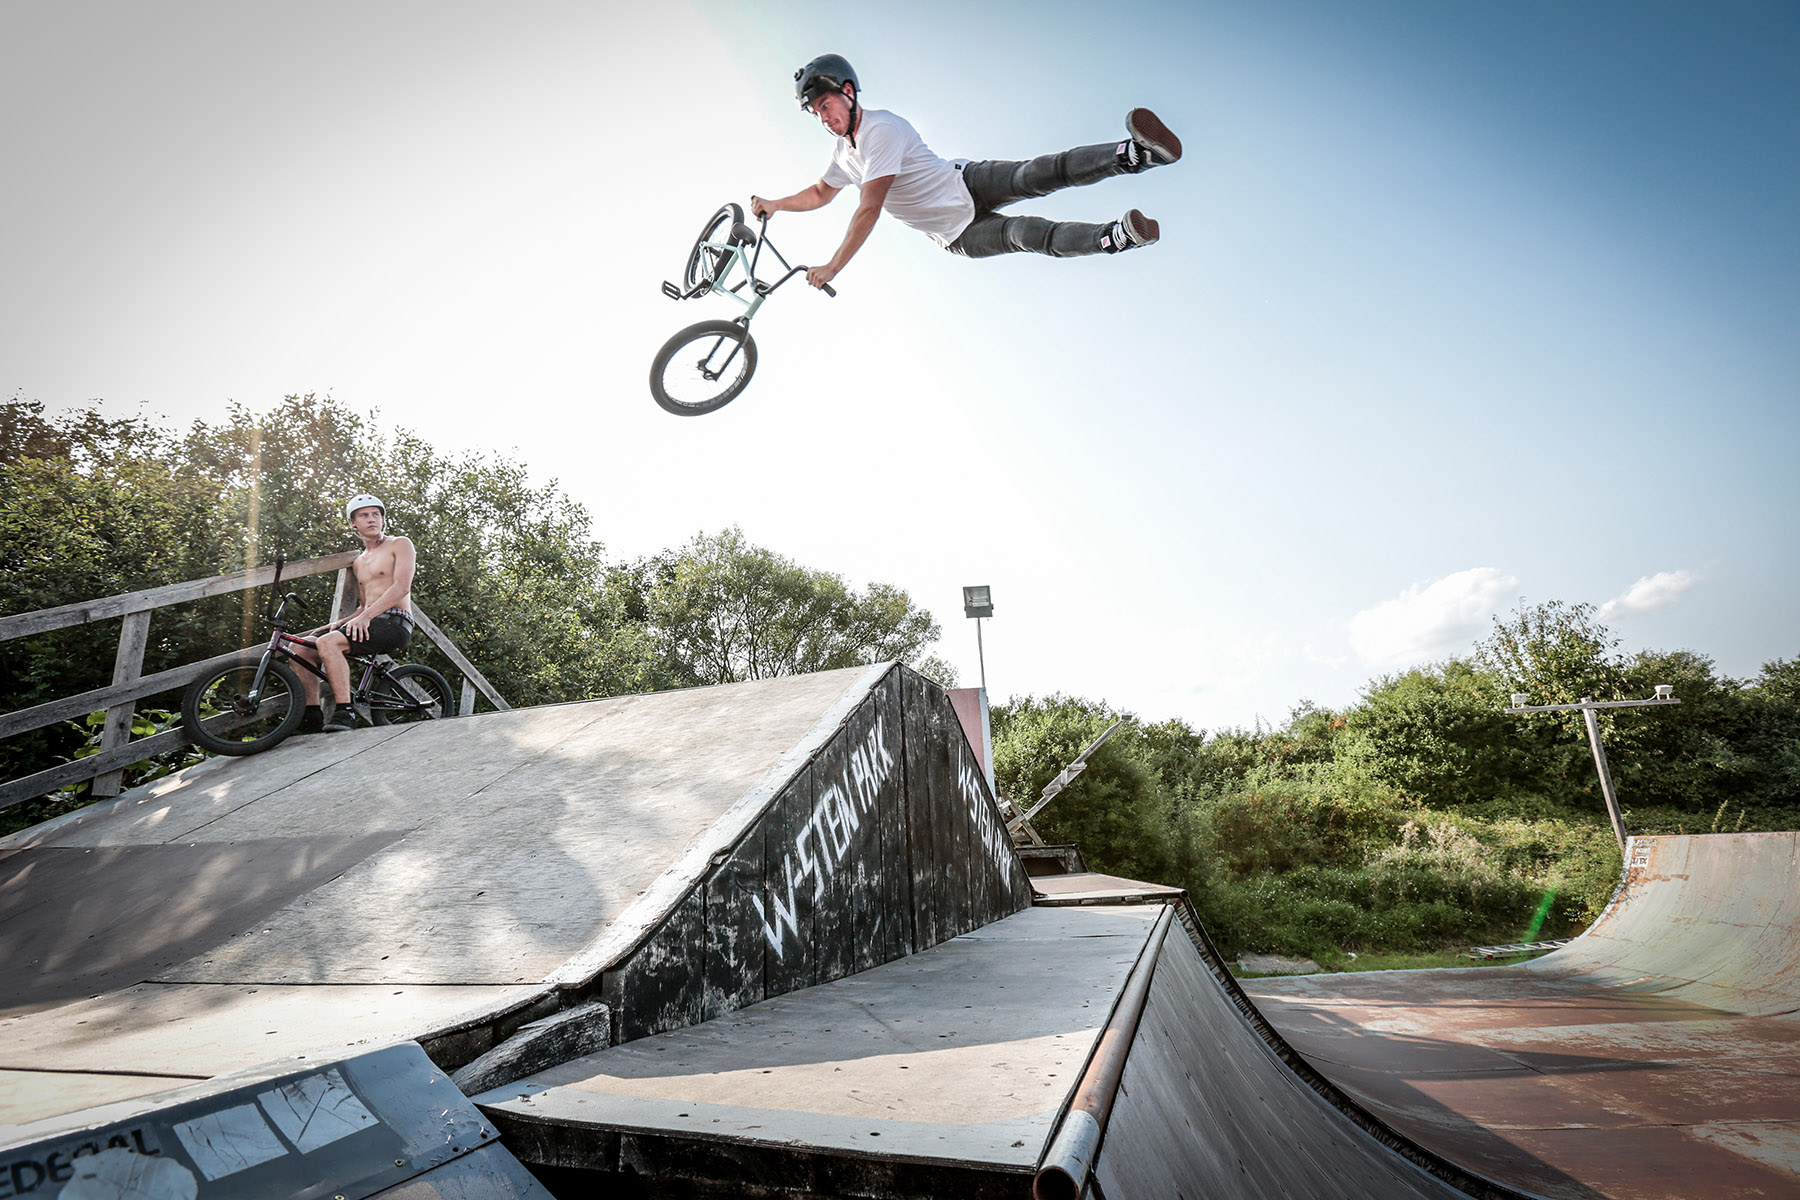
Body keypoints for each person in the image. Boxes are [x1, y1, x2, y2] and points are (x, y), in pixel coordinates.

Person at [751, 54, 1182, 289]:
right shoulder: (843, 154)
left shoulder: (880, 130)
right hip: (958, 234)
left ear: (847, 92)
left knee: (1039, 173)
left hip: (966, 181)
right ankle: (1116, 237)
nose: (823, 117)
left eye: (824, 105)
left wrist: (832, 266)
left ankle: (1136, 154)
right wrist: (775, 205)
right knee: (1028, 233)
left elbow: (869, 208)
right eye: (814, 113)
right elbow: (819, 193)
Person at [293, 493, 417, 733]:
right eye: (364, 515)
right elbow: (363, 606)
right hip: (368, 620)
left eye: (376, 514)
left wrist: (366, 616)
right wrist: (341, 622)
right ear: (353, 523)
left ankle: (345, 713)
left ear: (382, 519)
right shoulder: (359, 561)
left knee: (329, 643)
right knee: (300, 647)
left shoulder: (400, 544)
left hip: (396, 622)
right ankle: (310, 717)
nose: (372, 519)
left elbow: (402, 586)